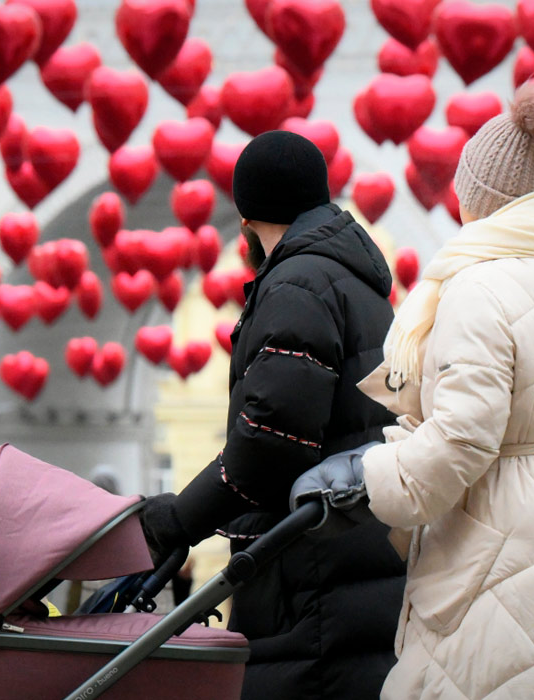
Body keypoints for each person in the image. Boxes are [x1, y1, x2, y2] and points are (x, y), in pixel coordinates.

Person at [295, 80, 534, 698]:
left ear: (484, 196)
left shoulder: (481, 286)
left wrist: (372, 476)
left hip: (501, 545)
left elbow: (464, 440)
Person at [140, 130, 405, 699]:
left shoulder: (296, 285)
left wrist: (178, 520)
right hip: (358, 554)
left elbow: (269, 440)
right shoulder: (357, 282)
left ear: (246, 218)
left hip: (304, 567)